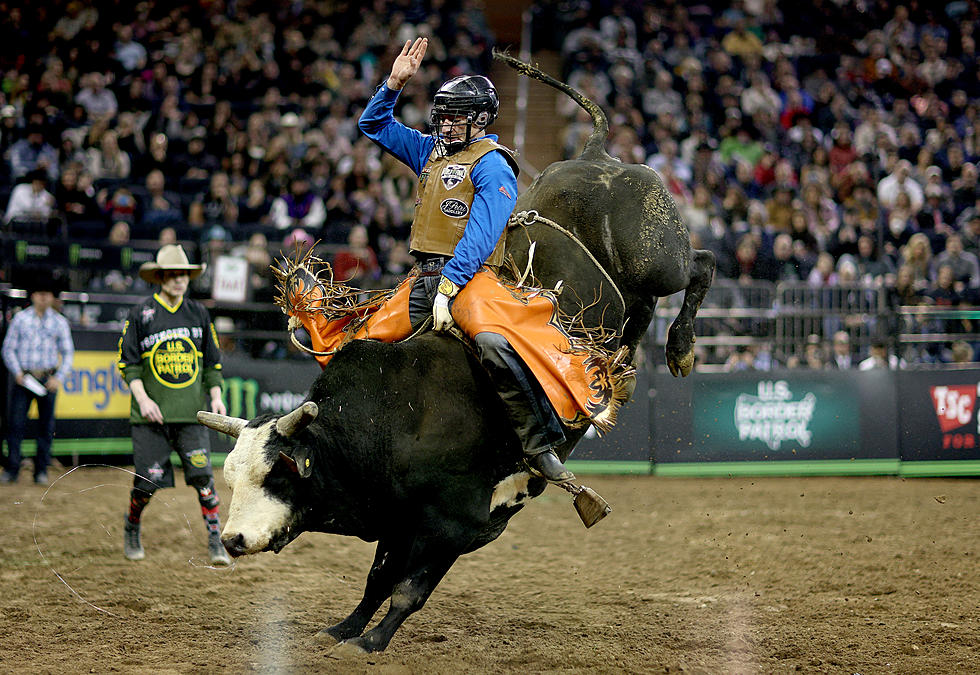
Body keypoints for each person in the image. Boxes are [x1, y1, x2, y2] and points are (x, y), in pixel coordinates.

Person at [285, 38, 630, 489]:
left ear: (481, 120)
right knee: (354, 348)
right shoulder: (430, 150)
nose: (445, 125)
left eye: (455, 118)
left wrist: (451, 284)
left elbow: (484, 231)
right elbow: (372, 124)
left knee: (493, 344)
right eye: (442, 117)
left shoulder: (493, 163)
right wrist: (393, 84)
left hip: (472, 279)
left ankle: (540, 446)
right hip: (421, 278)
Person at [117, 244, 231, 565]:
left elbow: (212, 363)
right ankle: (132, 525)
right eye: (174, 274)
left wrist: (216, 397)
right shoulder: (141, 314)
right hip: (150, 416)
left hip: (191, 415)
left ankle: (215, 541)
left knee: (204, 479)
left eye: (185, 274)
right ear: (161, 277)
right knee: (146, 483)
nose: (180, 280)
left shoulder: (198, 313)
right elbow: (128, 364)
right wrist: (143, 399)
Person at [1, 276, 74, 485]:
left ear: (51, 297)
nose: (43, 298)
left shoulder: (59, 322)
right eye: (40, 294)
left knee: (46, 427)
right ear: (33, 296)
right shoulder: (20, 319)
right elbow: (8, 349)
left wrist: (58, 377)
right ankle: (12, 468)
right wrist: (17, 372)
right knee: (15, 425)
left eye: (47, 294)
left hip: (47, 379)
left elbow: (68, 352)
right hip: (24, 379)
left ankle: (41, 470)